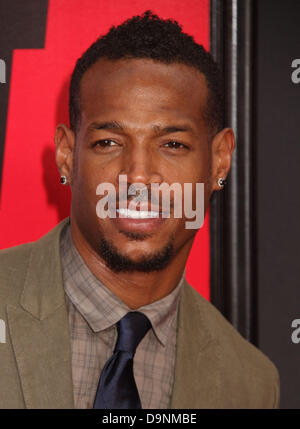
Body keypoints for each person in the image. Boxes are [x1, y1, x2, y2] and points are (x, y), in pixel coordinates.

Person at [0, 10, 279, 409]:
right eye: (109, 142)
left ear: (219, 161)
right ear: (67, 155)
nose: (138, 177)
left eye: (173, 145)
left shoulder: (250, 384)